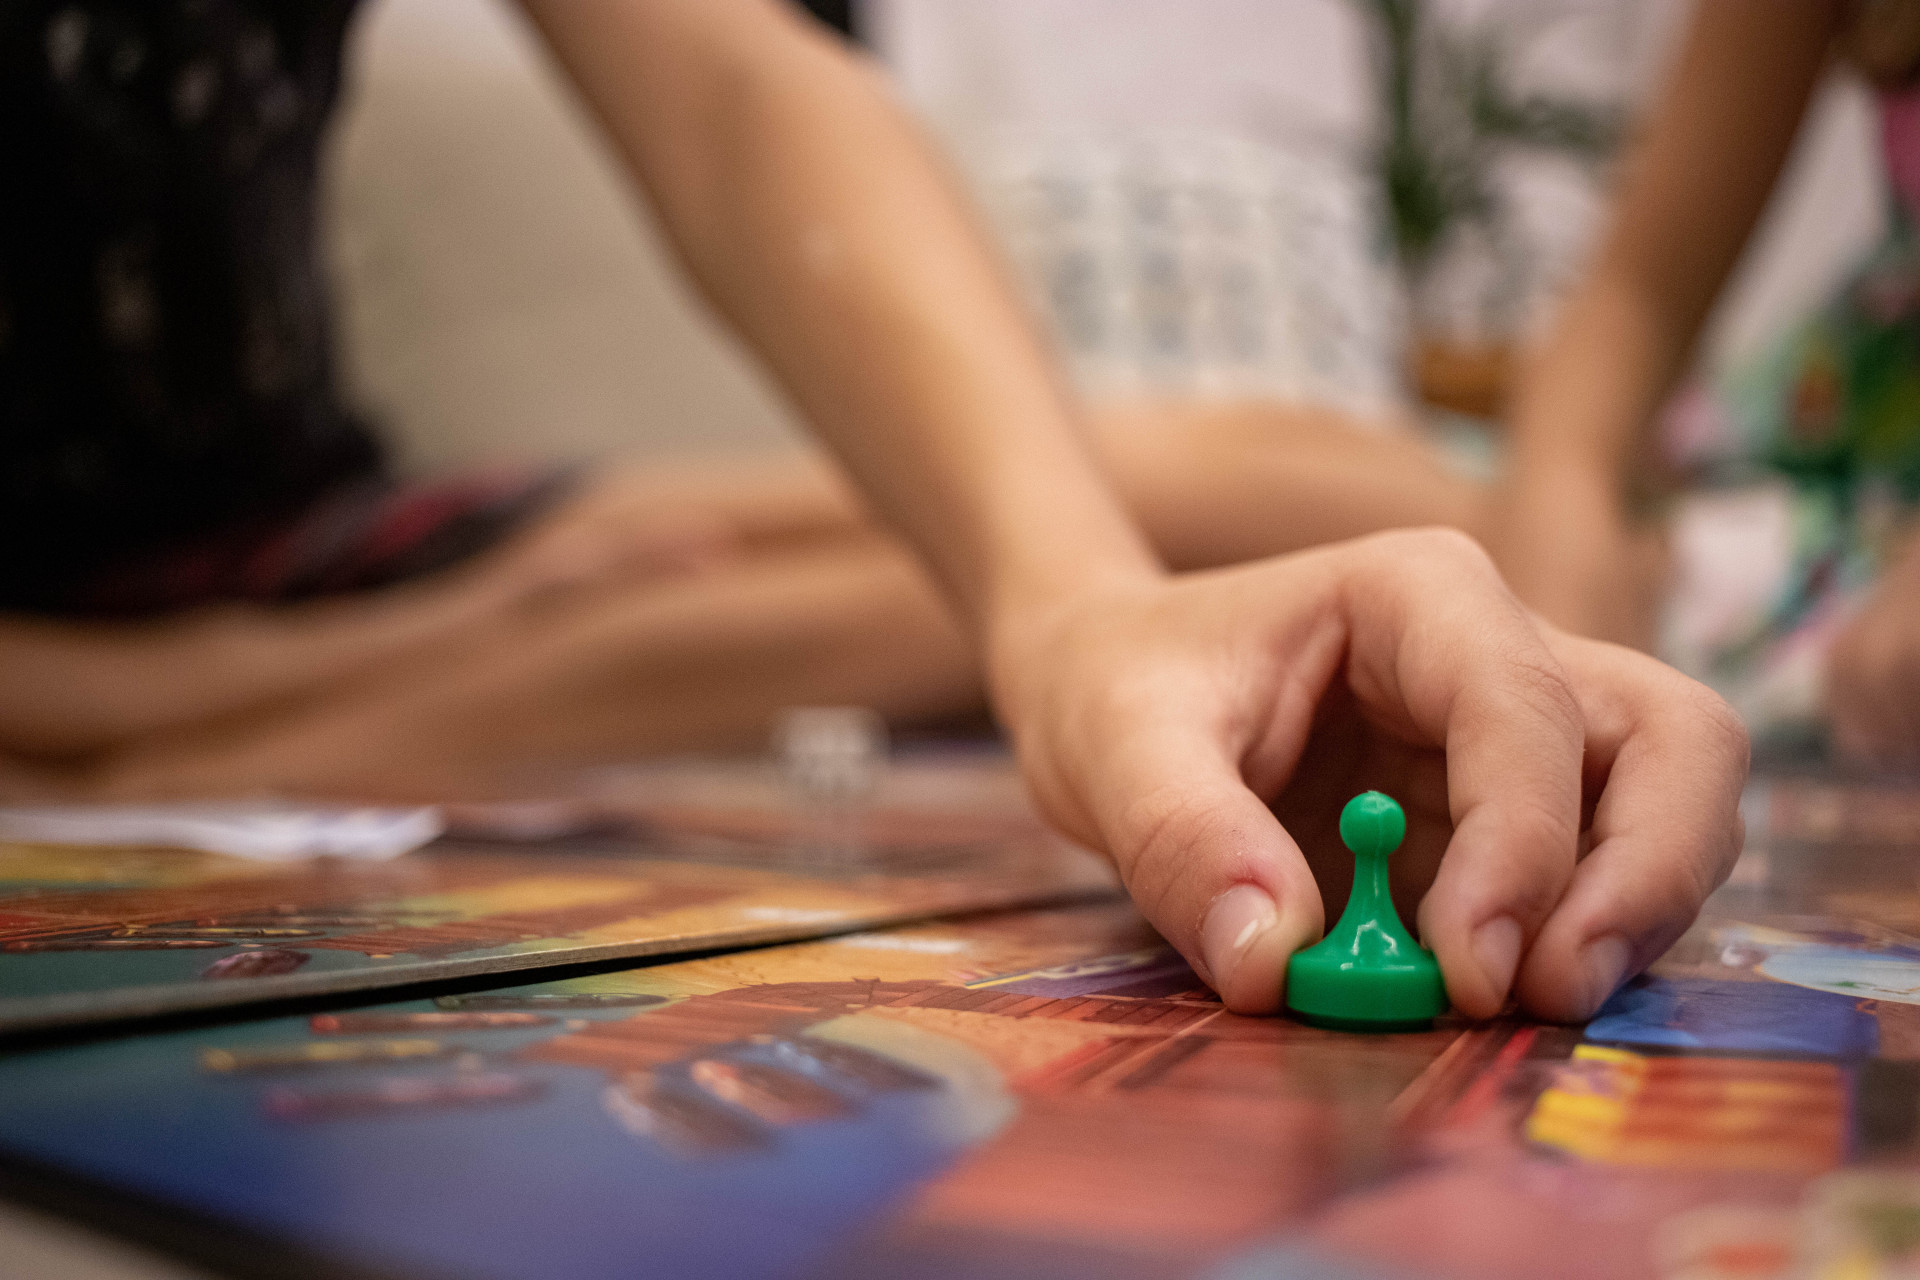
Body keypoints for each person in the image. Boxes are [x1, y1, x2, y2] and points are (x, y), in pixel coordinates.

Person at [0, 0, 1747, 1022]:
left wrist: (1074, 611)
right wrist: (393, 646)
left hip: (315, 523)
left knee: (1291, 482)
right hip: (82, 651)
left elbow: (740, 84)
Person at [1485, 0, 1920, 758]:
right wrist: (1564, 513)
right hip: (1819, 456)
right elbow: (1632, 298)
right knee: (1247, 501)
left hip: (1845, 575)